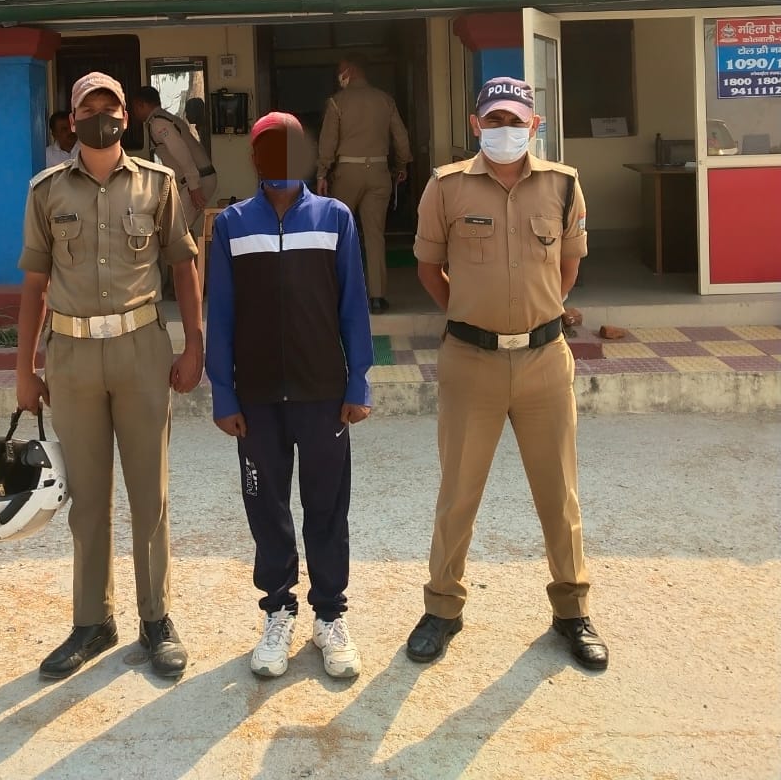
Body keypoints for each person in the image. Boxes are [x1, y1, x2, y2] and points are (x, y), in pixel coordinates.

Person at [406, 76, 608, 671]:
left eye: (515, 120)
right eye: (493, 120)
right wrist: (472, 314)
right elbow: (428, 268)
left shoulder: (563, 185)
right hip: (471, 362)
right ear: (476, 125)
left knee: (560, 494)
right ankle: (443, 607)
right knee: (458, 494)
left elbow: (568, 266)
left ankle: (572, 610)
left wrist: (537, 316)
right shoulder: (446, 187)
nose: (504, 130)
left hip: (545, 361)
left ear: (534, 125)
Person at [15, 71, 204, 682]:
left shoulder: (158, 184)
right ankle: (92, 621)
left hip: (140, 350)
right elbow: (35, 285)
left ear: (127, 115)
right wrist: (24, 369)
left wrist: (194, 344)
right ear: (71, 120)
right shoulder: (46, 191)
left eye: (111, 106)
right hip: (71, 358)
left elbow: (184, 268)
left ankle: (156, 619)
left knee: (150, 493)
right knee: (88, 497)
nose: (101, 116)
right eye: (88, 107)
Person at [206, 112, 374, 681]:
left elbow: (353, 305)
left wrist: (358, 380)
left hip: (323, 393)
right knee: (267, 507)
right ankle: (278, 609)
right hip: (255, 399)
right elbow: (220, 313)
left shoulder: (335, 217)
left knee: (326, 507)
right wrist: (223, 391)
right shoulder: (232, 225)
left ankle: (330, 615)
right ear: (254, 158)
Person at [316, 55, 412, 314]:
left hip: (347, 173)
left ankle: (338, 294)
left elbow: (328, 141)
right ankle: (377, 297)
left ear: (350, 71)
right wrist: (401, 166)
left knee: (339, 233)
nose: (339, 76)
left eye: (340, 71)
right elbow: (401, 138)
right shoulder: (385, 100)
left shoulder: (337, 102)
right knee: (375, 235)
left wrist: (322, 173)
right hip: (379, 172)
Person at [133, 86, 218, 233]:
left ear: (142, 105)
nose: (135, 112)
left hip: (198, 179)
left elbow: (180, 152)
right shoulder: (165, 118)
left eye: (135, 108)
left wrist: (194, 185)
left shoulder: (159, 123)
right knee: (178, 229)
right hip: (195, 179)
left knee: (175, 231)